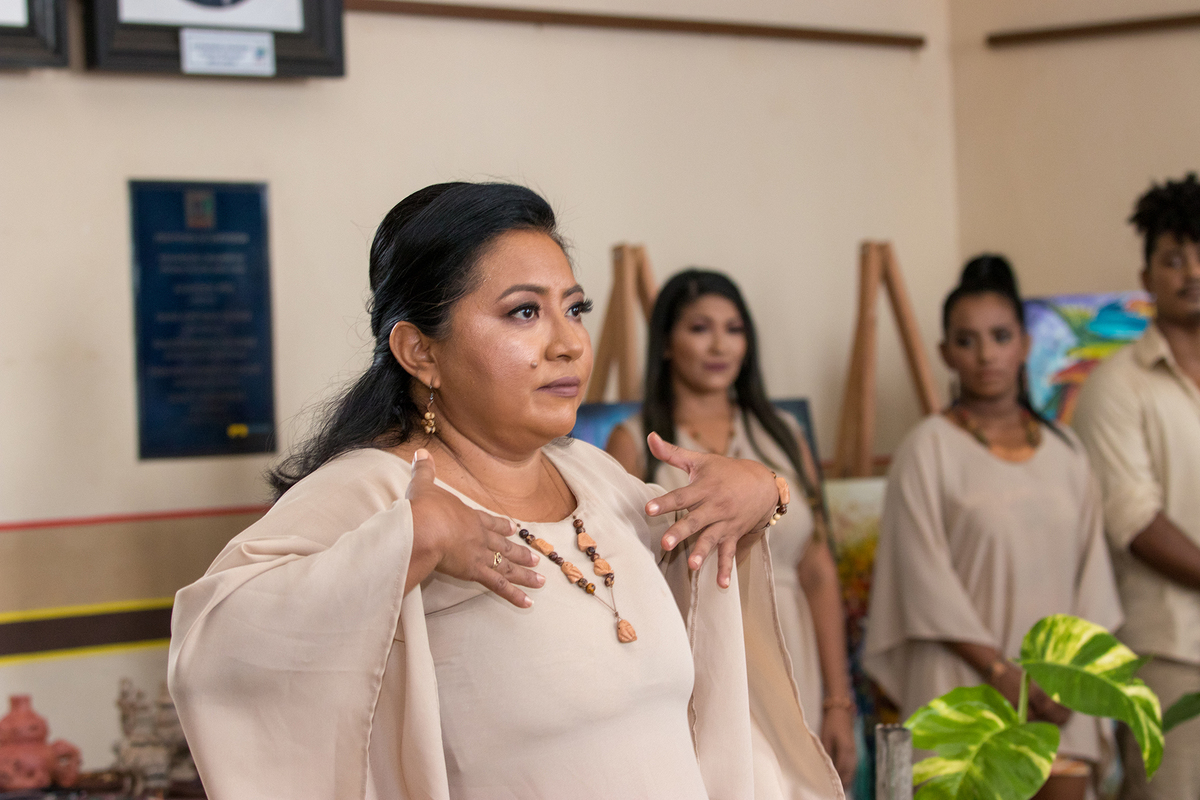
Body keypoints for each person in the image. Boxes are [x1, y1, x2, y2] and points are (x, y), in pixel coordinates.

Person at [167, 182, 843, 800]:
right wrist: (408, 543)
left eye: (573, 308)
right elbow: (212, 647)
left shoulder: (593, 476)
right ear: (419, 352)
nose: (569, 343)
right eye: (524, 313)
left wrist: (766, 489)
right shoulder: (377, 489)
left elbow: (704, 574)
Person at [863, 256, 1122, 800]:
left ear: (1024, 344)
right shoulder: (926, 449)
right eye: (967, 340)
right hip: (959, 692)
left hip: (1056, 699)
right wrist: (1006, 676)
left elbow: (1093, 582)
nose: (985, 355)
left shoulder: (1068, 453)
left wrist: (1063, 680)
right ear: (945, 353)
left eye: (1000, 336)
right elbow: (922, 581)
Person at [606, 269, 858, 791]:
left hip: (792, 649)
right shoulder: (635, 442)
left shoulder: (782, 433)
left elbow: (816, 567)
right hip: (697, 655)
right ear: (668, 344)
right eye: (700, 328)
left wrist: (838, 698)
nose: (720, 344)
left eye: (735, 328)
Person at [1073, 173, 1200, 800]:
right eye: (1173, 258)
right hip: (1170, 652)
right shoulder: (1115, 386)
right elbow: (1135, 521)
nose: (1192, 272)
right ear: (1147, 276)